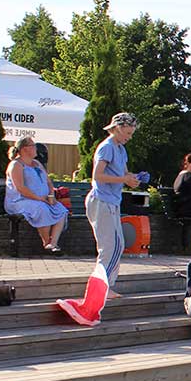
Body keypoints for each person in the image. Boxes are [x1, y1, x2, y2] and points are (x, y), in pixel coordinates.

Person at [86, 112, 143, 296]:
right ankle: (102, 288)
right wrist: (123, 179)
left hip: (112, 201)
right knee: (109, 246)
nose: (129, 137)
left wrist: (132, 178)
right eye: (127, 133)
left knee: (118, 244)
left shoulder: (120, 148)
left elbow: (124, 174)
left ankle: (106, 285)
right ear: (117, 128)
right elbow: (98, 176)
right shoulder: (107, 147)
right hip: (102, 200)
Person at [5, 137, 67, 253]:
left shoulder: (37, 163)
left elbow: (48, 182)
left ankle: (53, 244)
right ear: (24, 149)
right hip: (19, 202)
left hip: (41, 200)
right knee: (42, 208)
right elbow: (20, 188)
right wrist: (39, 199)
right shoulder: (16, 165)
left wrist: (51, 196)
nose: (36, 148)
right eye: (33, 146)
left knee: (60, 209)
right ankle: (46, 243)